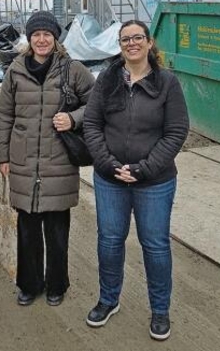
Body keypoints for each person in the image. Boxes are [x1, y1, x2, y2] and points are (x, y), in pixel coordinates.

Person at [82, 20, 189, 340]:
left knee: (155, 245)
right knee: (110, 241)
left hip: (154, 182)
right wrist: (107, 162)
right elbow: (91, 123)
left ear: (149, 42)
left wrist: (144, 168)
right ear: (120, 45)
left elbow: (175, 132)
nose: (131, 44)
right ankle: (108, 299)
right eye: (125, 39)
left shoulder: (167, 83)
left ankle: (160, 310)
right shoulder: (107, 80)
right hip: (110, 178)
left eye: (137, 38)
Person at [0, 11, 94, 307]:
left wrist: (74, 118)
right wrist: (3, 154)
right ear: (29, 38)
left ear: (55, 38)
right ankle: (29, 284)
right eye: (36, 34)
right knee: (27, 227)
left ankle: (56, 285)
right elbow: (5, 115)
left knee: (56, 229)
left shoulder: (72, 70)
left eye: (47, 35)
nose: (41, 40)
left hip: (58, 159)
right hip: (24, 159)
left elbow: (98, 103)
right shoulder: (15, 70)